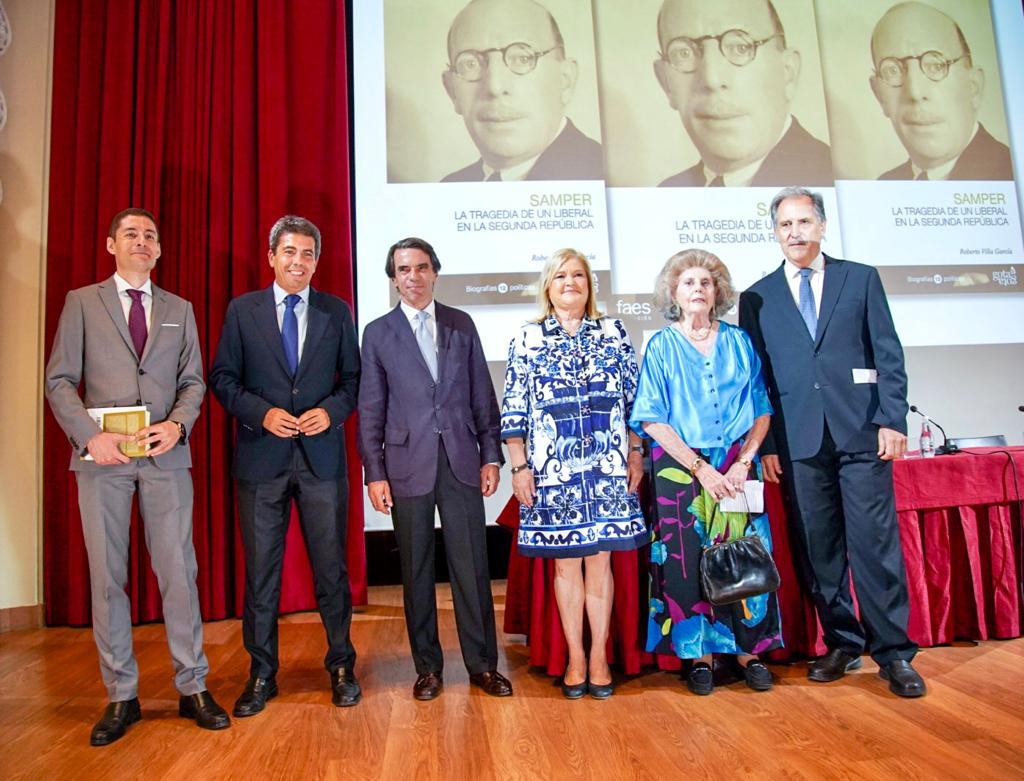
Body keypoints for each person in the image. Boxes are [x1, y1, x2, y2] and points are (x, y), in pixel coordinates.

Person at [45, 208, 229, 745]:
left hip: (166, 459)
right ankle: (121, 695)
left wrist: (178, 424)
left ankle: (192, 685)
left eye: (151, 235)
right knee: (108, 579)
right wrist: (88, 437)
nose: (143, 242)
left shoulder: (180, 309)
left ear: (159, 250)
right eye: (132, 234)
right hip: (102, 461)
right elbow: (59, 380)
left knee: (179, 573)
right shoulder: (82, 302)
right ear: (111, 246)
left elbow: (193, 381)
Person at [738, 187, 926, 697]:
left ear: (821, 226)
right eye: (785, 225)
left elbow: (888, 353)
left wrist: (892, 419)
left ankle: (893, 654)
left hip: (862, 432)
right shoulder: (756, 296)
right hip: (798, 444)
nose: (795, 233)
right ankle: (843, 642)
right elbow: (760, 381)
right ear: (775, 233)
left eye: (803, 222)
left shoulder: (860, 279)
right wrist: (771, 444)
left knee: (874, 548)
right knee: (819, 552)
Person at [209, 215, 362, 715]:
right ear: (272, 255)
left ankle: (341, 666)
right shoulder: (242, 310)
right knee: (262, 576)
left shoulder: (337, 312)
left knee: (331, 572)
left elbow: (354, 381)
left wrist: (332, 412)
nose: (299, 262)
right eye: (290, 252)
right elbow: (223, 378)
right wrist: (262, 413)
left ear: (317, 261)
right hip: (261, 461)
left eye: (309, 254)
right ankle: (261, 674)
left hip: (321, 462)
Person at [358, 237, 513, 700]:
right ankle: (428, 668)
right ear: (393, 278)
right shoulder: (378, 332)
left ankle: (483, 665)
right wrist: (375, 472)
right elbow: (370, 409)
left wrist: (491, 454)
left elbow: (482, 393)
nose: (413, 277)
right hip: (406, 465)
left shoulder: (460, 323)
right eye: (403, 269)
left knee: (472, 566)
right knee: (417, 570)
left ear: (435, 272)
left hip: (462, 460)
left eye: (422, 267)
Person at [629, 249, 781, 695]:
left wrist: (743, 461)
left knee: (745, 555)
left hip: (736, 462)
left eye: (705, 283)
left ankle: (749, 651)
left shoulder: (739, 341)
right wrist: (701, 469)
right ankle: (699, 656)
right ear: (674, 293)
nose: (697, 289)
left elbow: (761, 407)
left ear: (718, 292)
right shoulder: (660, 345)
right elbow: (651, 418)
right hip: (679, 465)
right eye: (688, 283)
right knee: (685, 559)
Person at [500, 249, 647, 699]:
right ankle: (576, 659)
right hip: (552, 472)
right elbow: (514, 409)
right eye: (560, 275)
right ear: (548, 286)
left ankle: (600, 659)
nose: (570, 282)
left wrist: (636, 453)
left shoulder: (613, 332)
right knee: (566, 564)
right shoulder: (527, 338)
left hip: (607, 468)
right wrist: (520, 465)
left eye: (578, 275)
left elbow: (633, 402)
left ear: (590, 284)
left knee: (600, 564)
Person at [654, 0, 832, 187]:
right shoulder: (665, 195)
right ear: (666, 83)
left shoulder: (832, 178)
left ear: (788, 72)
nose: (711, 79)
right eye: (684, 53)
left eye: (740, 47)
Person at [441, 0, 603, 182]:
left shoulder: (608, 175)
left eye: (522, 58)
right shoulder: (446, 190)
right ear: (452, 91)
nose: (495, 87)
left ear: (566, 80)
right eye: (470, 64)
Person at [869, 1, 1012, 181]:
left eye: (936, 65)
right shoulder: (884, 184)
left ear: (973, 86)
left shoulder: (1011, 173)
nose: (914, 92)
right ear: (879, 95)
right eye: (892, 70)